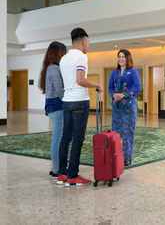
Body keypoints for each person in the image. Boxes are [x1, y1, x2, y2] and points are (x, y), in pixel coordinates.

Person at [57, 28, 102, 186]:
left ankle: (61, 173)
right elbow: (80, 80)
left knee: (65, 137)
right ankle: (73, 175)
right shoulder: (81, 57)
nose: (88, 45)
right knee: (77, 139)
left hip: (67, 101)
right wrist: (97, 85)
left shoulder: (63, 58)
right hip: (79, 101)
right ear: (83, 40)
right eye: (88, 42)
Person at [109, 49, 141, 167]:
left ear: (128, 58)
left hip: (128, 107)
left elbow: (137, 88)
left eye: (123, 56)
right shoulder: (114, 72)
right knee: (116, 132)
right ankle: (116, 157)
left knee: (127, 133)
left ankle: (127, 159)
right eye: (119, 56)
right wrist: (113, 95)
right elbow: (110, 87)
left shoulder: (133, 72)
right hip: (117, 107)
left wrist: (124, 95)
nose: (121, 59)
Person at [39, 41, 66, 178]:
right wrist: (69, 100)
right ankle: (56, 169)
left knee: (58, 137)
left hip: (53, 105)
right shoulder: (54, 68)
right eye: (63, 53)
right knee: (58, 138)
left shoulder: (48, 67)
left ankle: (57, 167)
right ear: (58, 53)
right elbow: (59, 90)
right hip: (57, 105)